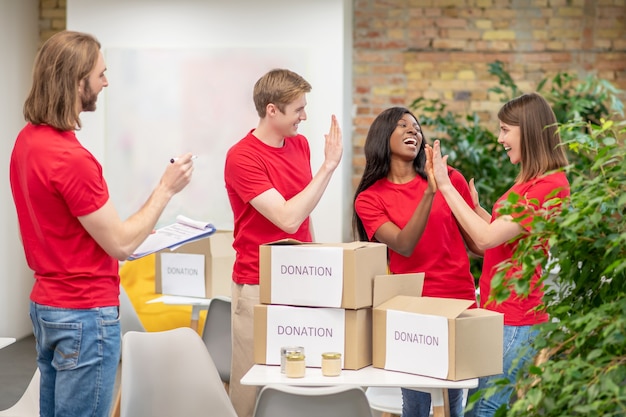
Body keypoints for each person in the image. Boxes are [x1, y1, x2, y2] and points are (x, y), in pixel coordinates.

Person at [9, 31, 194, 417]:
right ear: (77, 82)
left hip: (47, 305)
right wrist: (165, 188)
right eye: (100, 74)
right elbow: (122, 245)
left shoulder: (27, 142)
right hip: (85, 314)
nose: (106, 82)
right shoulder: (71, 159)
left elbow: (77, 229)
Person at [430, 92, 570, 417]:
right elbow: (495, 241)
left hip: (517, 317)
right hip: (499, 313)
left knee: (484, 409)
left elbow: (484, 236)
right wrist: (476, 208)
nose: (500, 138)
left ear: (530, 131)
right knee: (484, 406)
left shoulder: (550, 185)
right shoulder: (528, 182)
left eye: (505, 129)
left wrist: (447, 187)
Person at [224, 68, 343, 417]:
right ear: (272, 110)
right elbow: (288, 218)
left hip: (300, 283)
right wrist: (329, 166)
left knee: (298, 378)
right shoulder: (242, 157)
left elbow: (304, 218)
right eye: (298, 110)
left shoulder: (300, 145)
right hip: (257, 284)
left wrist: (317, 264)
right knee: (251, 385)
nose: (305, 117)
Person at [352, 106, 481, 417]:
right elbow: (404, 244)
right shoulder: (370, 198)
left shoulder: (450, 178)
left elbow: (477, 243)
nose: (413, 130)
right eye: (402, 125)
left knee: (458, 403)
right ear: (383, 137)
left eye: (416, 127)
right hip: (411, 309)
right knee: (416, 407)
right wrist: (430, 193)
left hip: (458, 302)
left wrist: (481, 212)